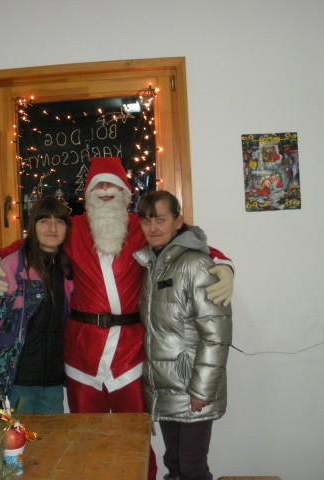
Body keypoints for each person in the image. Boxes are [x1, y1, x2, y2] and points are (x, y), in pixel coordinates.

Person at [0, 157, 234, 480]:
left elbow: (188, 242)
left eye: (113, 184)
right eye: (99, 185)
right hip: (82, 351)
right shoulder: (73, 229)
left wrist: (224, 264)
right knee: (84, 437)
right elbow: (32, 244)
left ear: (126, 193)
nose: (106, 190)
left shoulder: (141, 228)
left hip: (131, 352)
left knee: (136, 436)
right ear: (88, 195)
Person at [133, 190, 232, 480]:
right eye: (147, 221)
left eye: (160, 219)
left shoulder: (196, 265)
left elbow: (216, 335)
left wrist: (202, 390)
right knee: (174, 464)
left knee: (192, 468)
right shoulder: (152, 264)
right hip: (165, 388)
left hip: (192, 388)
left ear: (178, 222)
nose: (153, 228)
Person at [0, 196, 74, 414]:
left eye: (59, 221)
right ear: (32, 226)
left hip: (52, 385)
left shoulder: (67, 270)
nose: (52, 228)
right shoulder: (12, 267)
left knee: (51, 437)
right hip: (14, 385)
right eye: (44, 221)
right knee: (12, 438)